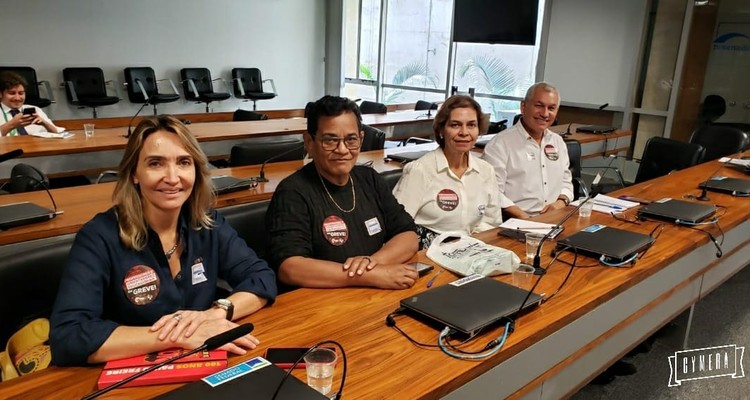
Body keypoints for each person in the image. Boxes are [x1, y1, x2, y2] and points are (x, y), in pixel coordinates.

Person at [50, 115, 277, 366]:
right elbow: (68, 336)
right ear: (134, 173)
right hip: (132, 372)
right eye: (155, 163)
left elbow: (261, 277)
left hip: (204, 362)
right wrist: (178, 336)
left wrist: (216, 313)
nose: (172, 177)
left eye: (183, 162)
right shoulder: (98, 236)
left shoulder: (207, 223)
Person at [266, 95, 419, 289]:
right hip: (323, 299)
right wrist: (367, 276)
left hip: (373, 291)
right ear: (309, 142)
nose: (342, 149)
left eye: (351, 139)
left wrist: (371, 263)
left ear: (361, 139)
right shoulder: (292, 192)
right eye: (330, 140)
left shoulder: (369, 178)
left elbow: (408, 235)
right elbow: (290, 267)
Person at [393, 95, 502, 248]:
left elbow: (492, 222)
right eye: (455, 125)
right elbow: (396, 227)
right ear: (441, 130)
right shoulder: (420, 170)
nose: (464, 132)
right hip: (427, 253)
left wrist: (474, 241)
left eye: (471, 125)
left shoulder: (486, 171)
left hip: (473, 250)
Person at [482, 82, 574, 219]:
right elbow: (492, 192)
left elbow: (566, 181)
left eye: (551, 108)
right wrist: (526, 218)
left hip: (555, 218)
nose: (545, 113)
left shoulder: (558, 142)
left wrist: (561, 202)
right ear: (523, 106)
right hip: (515, 221)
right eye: (539, 106)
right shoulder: (500, 144)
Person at [0, 71, 64, 137]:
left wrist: (45, 124)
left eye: (21, 93)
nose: (17, 98)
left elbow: (58, 133)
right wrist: (12, 124)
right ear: (0, 94)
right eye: (12, 93)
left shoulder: (35, 109)